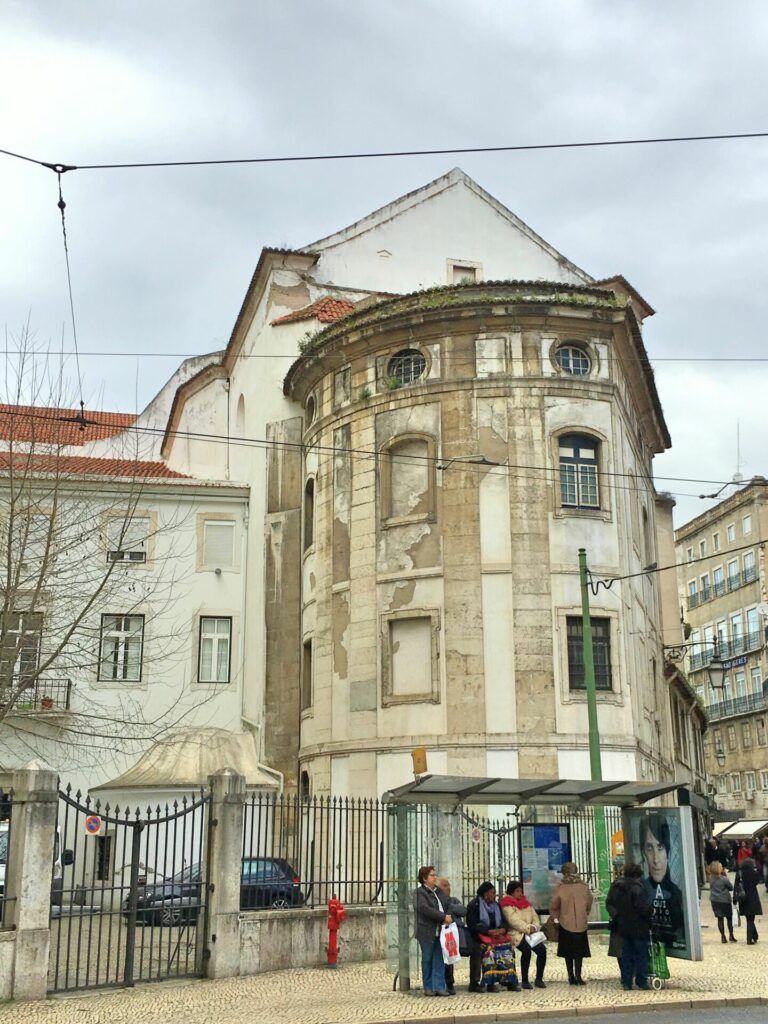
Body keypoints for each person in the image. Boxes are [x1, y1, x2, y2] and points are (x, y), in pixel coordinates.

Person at [639, 813, 684, 950]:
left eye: (660, 848)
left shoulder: (677, 894)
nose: (656, 859)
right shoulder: (640, 890)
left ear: (668, 852)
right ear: (643, 853)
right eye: (649, 848)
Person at [466, 881, 520, 993]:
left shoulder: (497, 905)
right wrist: (488, 931)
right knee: (485, 950)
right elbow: (472, 925)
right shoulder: (474, 905)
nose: (495, 895)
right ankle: (477, 983)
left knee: (508, 950)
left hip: (497, 937)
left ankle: (509, 981)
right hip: (479, 937)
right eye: (493, 893)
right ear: (485, 894)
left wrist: (502, 929)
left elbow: (504, 922)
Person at [606, 864, 653, 990]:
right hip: (638, 926)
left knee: (626, 954)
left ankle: (626, 982)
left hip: (623, 926)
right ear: (638, 875)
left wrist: (617, 916)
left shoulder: (617, 887)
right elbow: (643, 908)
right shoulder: (638, 888)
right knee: (641, 954)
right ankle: (641, 981)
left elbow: (610, 903)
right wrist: (650, 915)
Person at [549, 861, 592, 985]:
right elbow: (589, 903)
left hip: (565, 923)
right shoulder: (584, 886)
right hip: (581, 923)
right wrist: (584, 914)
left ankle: (571, 976)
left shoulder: (560, 887)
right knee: (580, 952)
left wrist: (556, 917)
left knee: (568, 952)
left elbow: (554, 905)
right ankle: (578, 975)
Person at [413, 866, 453, 997]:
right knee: (427, 958)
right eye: (432, 875)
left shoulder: (438, 891)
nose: (435, 877)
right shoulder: (420, 893)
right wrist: (442, 917)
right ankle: (428, 987)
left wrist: (449, 915)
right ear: (424, 878)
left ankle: (439, 987)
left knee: (439, 959)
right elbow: (425, 909)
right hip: (426, 931)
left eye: (435, 875)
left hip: (440, 931)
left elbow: (446, 904)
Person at [500, 880, 547, 989]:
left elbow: (535, 917)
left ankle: (539, 979)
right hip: (516, 933)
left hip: (530, 933)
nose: (520, 893)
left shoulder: (526, 904)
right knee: (526, 950)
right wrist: (527, 928)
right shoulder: (507, 904)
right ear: (511, 892)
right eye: (517, 891)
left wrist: (534, 927)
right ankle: (525, 980)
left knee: (542, 951)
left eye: (521, 891)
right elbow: (513, 921)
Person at [437, 877, 467, 996]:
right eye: (445, 885)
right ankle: (446, 983)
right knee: (445, 954)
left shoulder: (453, 900)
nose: (448, 887)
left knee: (476, 948)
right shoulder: (436, 902)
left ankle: (473, 981)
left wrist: (450, 906)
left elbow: (463, 911)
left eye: (448, 885)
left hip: (458, 935)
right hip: (443, 934)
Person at [708, 861, 736, 943]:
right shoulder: (724, 879)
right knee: (729, 918)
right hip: (724, 900)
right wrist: (725, 875)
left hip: (715, 900)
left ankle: (723, 936)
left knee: (720, 919)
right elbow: (731, 887)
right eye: (721, 867)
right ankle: (731, 935)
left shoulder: (710, 878)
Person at [736, 857, 762, 944]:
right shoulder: (753, 873)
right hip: (752, 897)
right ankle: (749, 938)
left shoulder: (739, 873)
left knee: (749, 919)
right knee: (751, 919)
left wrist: (735, 899)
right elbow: (757, 881)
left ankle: (754, 935)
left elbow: (736, 886)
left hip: (743, 898)